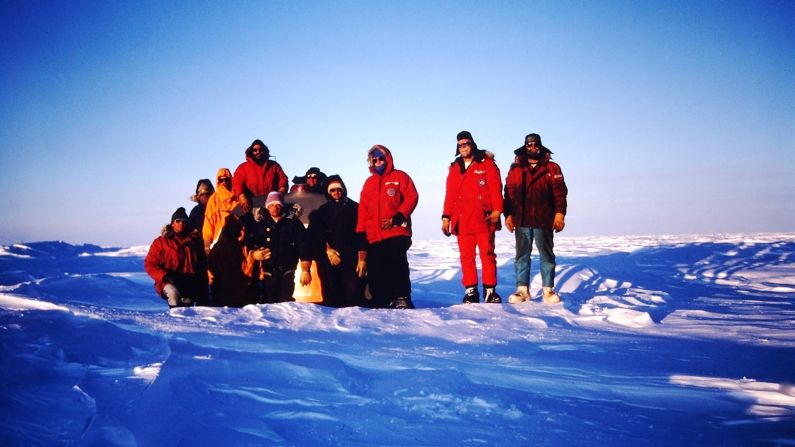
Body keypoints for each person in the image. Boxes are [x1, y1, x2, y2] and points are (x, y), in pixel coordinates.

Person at [503, 133, 568, 304]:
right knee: (522, 255)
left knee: (546, 254)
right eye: (529, 144)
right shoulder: (515, 169)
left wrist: (559, 213)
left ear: (540, 146)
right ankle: (522, 290)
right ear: (525, 146)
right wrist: (508, 214)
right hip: (522, 220)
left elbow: (560, 193)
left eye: (535, 144)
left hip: (544, 219)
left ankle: (548, 290)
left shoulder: (552, 168)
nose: (532, 147)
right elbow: (508, 194)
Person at [442, 131, 504, 304]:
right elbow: (450, 195)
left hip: (483, 219)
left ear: (472, 144)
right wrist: (446, 217)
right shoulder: (455, 168)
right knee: (466, 257)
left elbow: (496, 188)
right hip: (462, 220)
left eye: (466, 143)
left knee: (487, 255)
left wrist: (497, 211)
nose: (463, 147)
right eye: (460, 145)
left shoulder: (487, 164)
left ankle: (490, 291)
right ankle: (471, 292)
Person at [356, 145, 419, 309]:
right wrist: (362, 234)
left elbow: (412, 196)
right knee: (377, 269)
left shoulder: (400, 177)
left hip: (396, 232)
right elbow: (363, 211)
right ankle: (381, 299)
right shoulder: (369, 183)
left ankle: (402, 297)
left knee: (397, 265)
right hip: (374, 235)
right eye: (374, 159)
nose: (377, 162)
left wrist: (399, 216)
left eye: (380, 158)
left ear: (387, 158)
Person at [309, 175, 368, 307]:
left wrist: (362, 257)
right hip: (330, 258)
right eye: (333, 190)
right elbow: (316, 234)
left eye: (339, 190)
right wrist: (327, 250)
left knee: (352, 293)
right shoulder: (322, 211)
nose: (336, 193)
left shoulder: (355, 208)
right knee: (331, 294)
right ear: (328, 192)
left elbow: (362, 232)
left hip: (351, 256)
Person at [244, 191, 312, 303]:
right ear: (267, 207)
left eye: (277, 205)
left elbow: (303, 244)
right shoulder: (261, 224)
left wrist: (305, 269)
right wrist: (254, 254)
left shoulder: (292, 222)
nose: (274, 208)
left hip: (287, 270)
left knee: (286, 302)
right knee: (268, 302)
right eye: (271, 205)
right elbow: (250, 242)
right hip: (268, 271)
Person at [144, 207, 208, 308]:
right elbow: (150, 264)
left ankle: (186, 322)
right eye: (178, 220)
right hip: (168, 280)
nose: (181, 223)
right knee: (173, 294)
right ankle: (174, 320)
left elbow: (202, 264)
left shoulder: (194, 241)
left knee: (188, 301)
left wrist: (200, 283)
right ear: (172, 223)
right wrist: (165, 276)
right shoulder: (161, 242)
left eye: (184, 221)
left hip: (189, 281)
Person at [207, 215, 258, 307]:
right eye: (239, 229)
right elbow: (211, 271)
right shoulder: (220, 248)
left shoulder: (246, 246)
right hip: (225, 295)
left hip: (244, 295)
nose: (243, 232)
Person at [232, 139, 289, 214]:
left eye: (260, 150)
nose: (258, 152)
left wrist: (279, 195)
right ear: (251, 151)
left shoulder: (274, 166)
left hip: (271, 207)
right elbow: (237, 183)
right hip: (251, 206)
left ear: (264, 150)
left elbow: (283, 181)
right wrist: (241, 197)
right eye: (255, 150)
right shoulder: (242, 168)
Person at [202, 168, 238, 254]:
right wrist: (207, 247)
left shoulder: (238, 197)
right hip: (219, 245)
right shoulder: (213, 200)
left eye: (227, 179)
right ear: (218, 182)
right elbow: (208, 226)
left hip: (237, 243)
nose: (224, 182)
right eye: (221, 180)